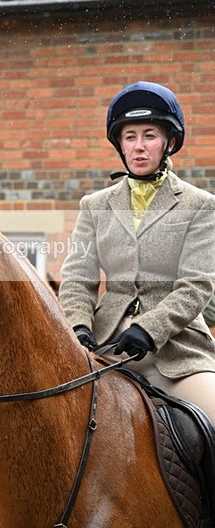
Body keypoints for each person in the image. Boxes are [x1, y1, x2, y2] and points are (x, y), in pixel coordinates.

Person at [59, 80, 215, 422]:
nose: (139, 147)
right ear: (120, 144)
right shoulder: (94, 205)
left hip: (177, 355)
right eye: (130, 137)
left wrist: (149, 328)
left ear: (169, 142)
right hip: (104, 349)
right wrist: (78, 325)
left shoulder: (200, 206)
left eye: (149, 135)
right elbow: (76, 279)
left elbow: (197, 286)